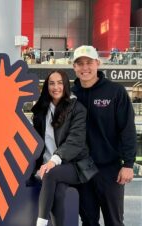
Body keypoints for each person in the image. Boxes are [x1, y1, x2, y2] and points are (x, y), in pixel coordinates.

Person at [71, 45, 137, 226]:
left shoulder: (116, 92)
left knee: (114, 222)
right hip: (82, 170)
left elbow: (128, 129)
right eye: (80, 63)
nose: (85, 68)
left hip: (110, 170)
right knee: (88, 221)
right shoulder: (70, 94)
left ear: (97, 63)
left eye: (89, 63)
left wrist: (128, 164)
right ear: (74, 67)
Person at [31, 70, 97, 226]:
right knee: (59, 194)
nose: (56, 87)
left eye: (60, 83)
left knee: (50, 173)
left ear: (66, 85)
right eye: (51, 83)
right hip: (49, 166)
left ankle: (40, 224)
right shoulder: (41, 109)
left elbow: (75, 141)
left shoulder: (77, 109)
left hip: (75, 165)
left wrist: (53, 161)